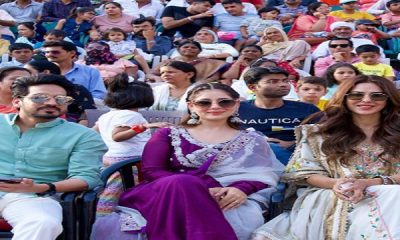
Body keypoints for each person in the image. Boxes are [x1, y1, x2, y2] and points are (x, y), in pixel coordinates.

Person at [91, 82, 284, 240]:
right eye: (204, 103)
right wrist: (199, 187)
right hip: (166, 191)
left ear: (236, 104)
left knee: (237, 214)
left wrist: (241, 189)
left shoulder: (252, 139)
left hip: (226, 193)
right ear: (191, 106)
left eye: (224, 102)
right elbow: (152, 171)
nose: (215, 107)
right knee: (183, 181)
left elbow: (264, 173)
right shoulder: (168, 133)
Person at [252, 74, 400, 240]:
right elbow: (304, 172)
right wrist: (338, 184)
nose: (366, 100)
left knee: (394, 195)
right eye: (356, 95)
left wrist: (371, 183)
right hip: (333, 193)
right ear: (344, 98)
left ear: (388, 99)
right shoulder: (319, 133)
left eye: (377, 96)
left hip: (392, 192)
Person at [0, 74, 106, 240]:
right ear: (17, 101)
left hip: (34, 197)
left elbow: (86, 178)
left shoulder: (83, 136)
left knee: (43, 223)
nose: (51, 103)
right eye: (40, 97)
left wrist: (41, 187)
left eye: (61, 99)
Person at [94, 73, 168, 217]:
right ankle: (102, 218)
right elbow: (117, 136)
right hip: (128, 161)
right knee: (114, 193)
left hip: (112, 158)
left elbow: (94, 132)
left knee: (113, 188)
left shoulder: (106, 115)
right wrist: (144, 127)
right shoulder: (131, 115)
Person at [239, 66, 320, 165]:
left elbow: (323, 136)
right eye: (273, 81)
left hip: (296, 155)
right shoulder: (237, 109)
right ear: (252, 87)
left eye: (285, 81)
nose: (283, 85)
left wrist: (292, 144)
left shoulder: (307, 109)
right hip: (246, 157)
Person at [24, 60, 96, 124]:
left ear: (46, 72)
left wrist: (78, 132)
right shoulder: (26, 89)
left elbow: (88, 112)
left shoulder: (75, 89)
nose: (52, 103)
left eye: (28, 72)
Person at [148, 40, 227, 83]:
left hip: (200, 87)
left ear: (200, 51)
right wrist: (156, 78)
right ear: (178, 50)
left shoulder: (210, 63)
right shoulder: (168, 62)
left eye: (193, 48)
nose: (189, 49)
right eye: (185, 47)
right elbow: (150, 74)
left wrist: (199, 84)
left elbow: (215, 76)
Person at [312, 21, 385, 60]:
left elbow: (379, 54)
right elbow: (318, 57)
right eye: (339, 29)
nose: (343, 31)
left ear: (352, 31)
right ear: (333, 32)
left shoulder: (365, 41)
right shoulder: (326, 43)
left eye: (346, 29)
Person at [170, 28, 239, 59]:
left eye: (206, 34)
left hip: (214, 63)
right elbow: (175, 56)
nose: (202, 36)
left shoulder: (222, 45)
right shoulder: (187, 45)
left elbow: (234, 53)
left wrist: (212, 56)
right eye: (199, 34)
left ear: (213, 37)